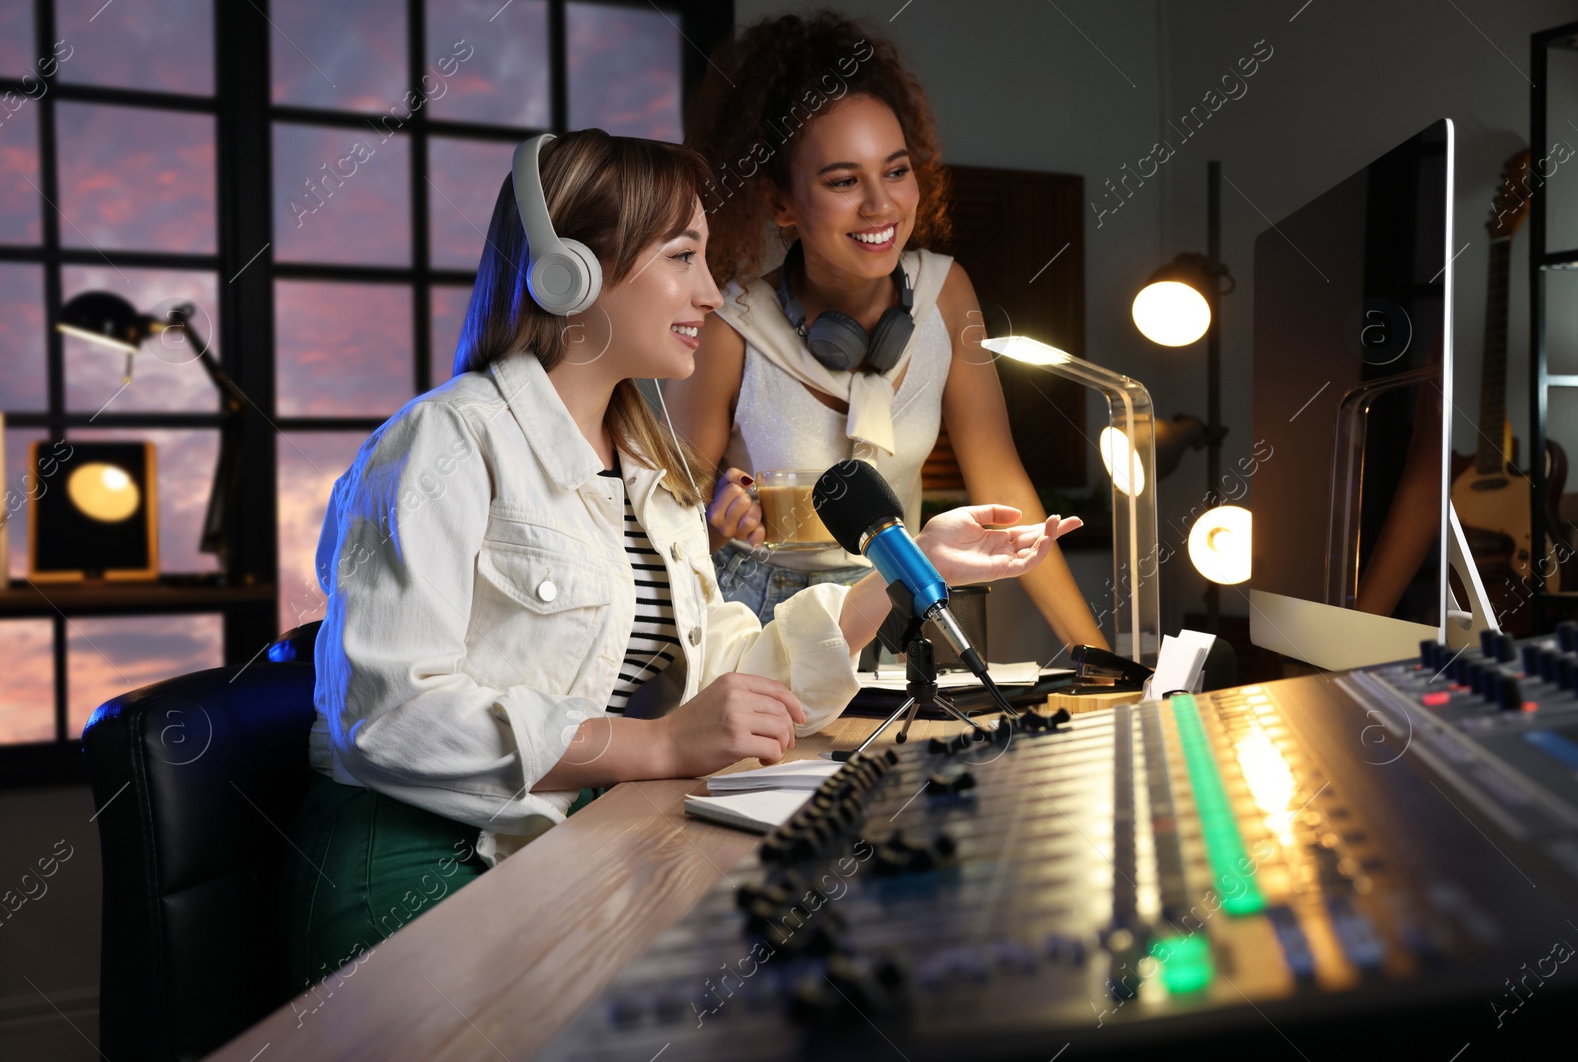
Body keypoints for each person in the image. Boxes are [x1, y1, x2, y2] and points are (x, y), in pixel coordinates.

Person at [277, 128, 1081, 992]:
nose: (709, 290)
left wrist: (908, 567)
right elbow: (388, 715)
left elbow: (718, 678)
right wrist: (656, 746)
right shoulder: (444, 441)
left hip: (569, 842)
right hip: (420, 868)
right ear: (570, 274)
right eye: (682, 257)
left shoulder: (645, 462)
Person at [666, 11, 1108, 651]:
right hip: (763, 625)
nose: (881, 205)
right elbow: (672, 532)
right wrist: (716, 520)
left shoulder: (946, 293)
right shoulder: (731, 326)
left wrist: (1097, 656)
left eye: (895, 171)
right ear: (779, 203)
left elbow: (1001, 478)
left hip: (901, 604)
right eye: (844, 180)